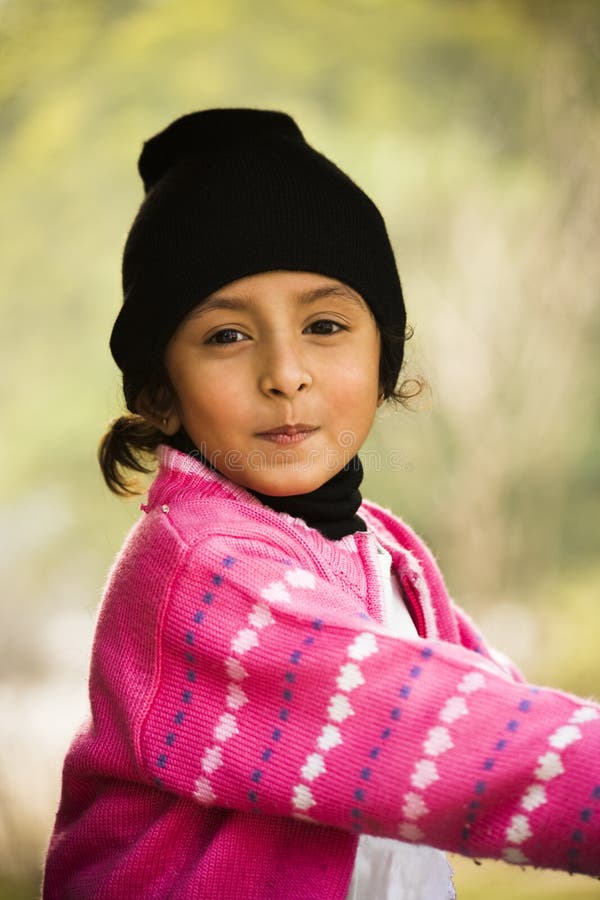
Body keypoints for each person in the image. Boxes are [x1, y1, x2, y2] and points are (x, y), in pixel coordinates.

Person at [43, 109, 600, 899]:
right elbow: (448, 736)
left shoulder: (379, 546)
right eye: (227, 337)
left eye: (326, 325)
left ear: (384, 357)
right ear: (161, 392)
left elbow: (495, 704)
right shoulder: (202, 574)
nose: (286, 372)